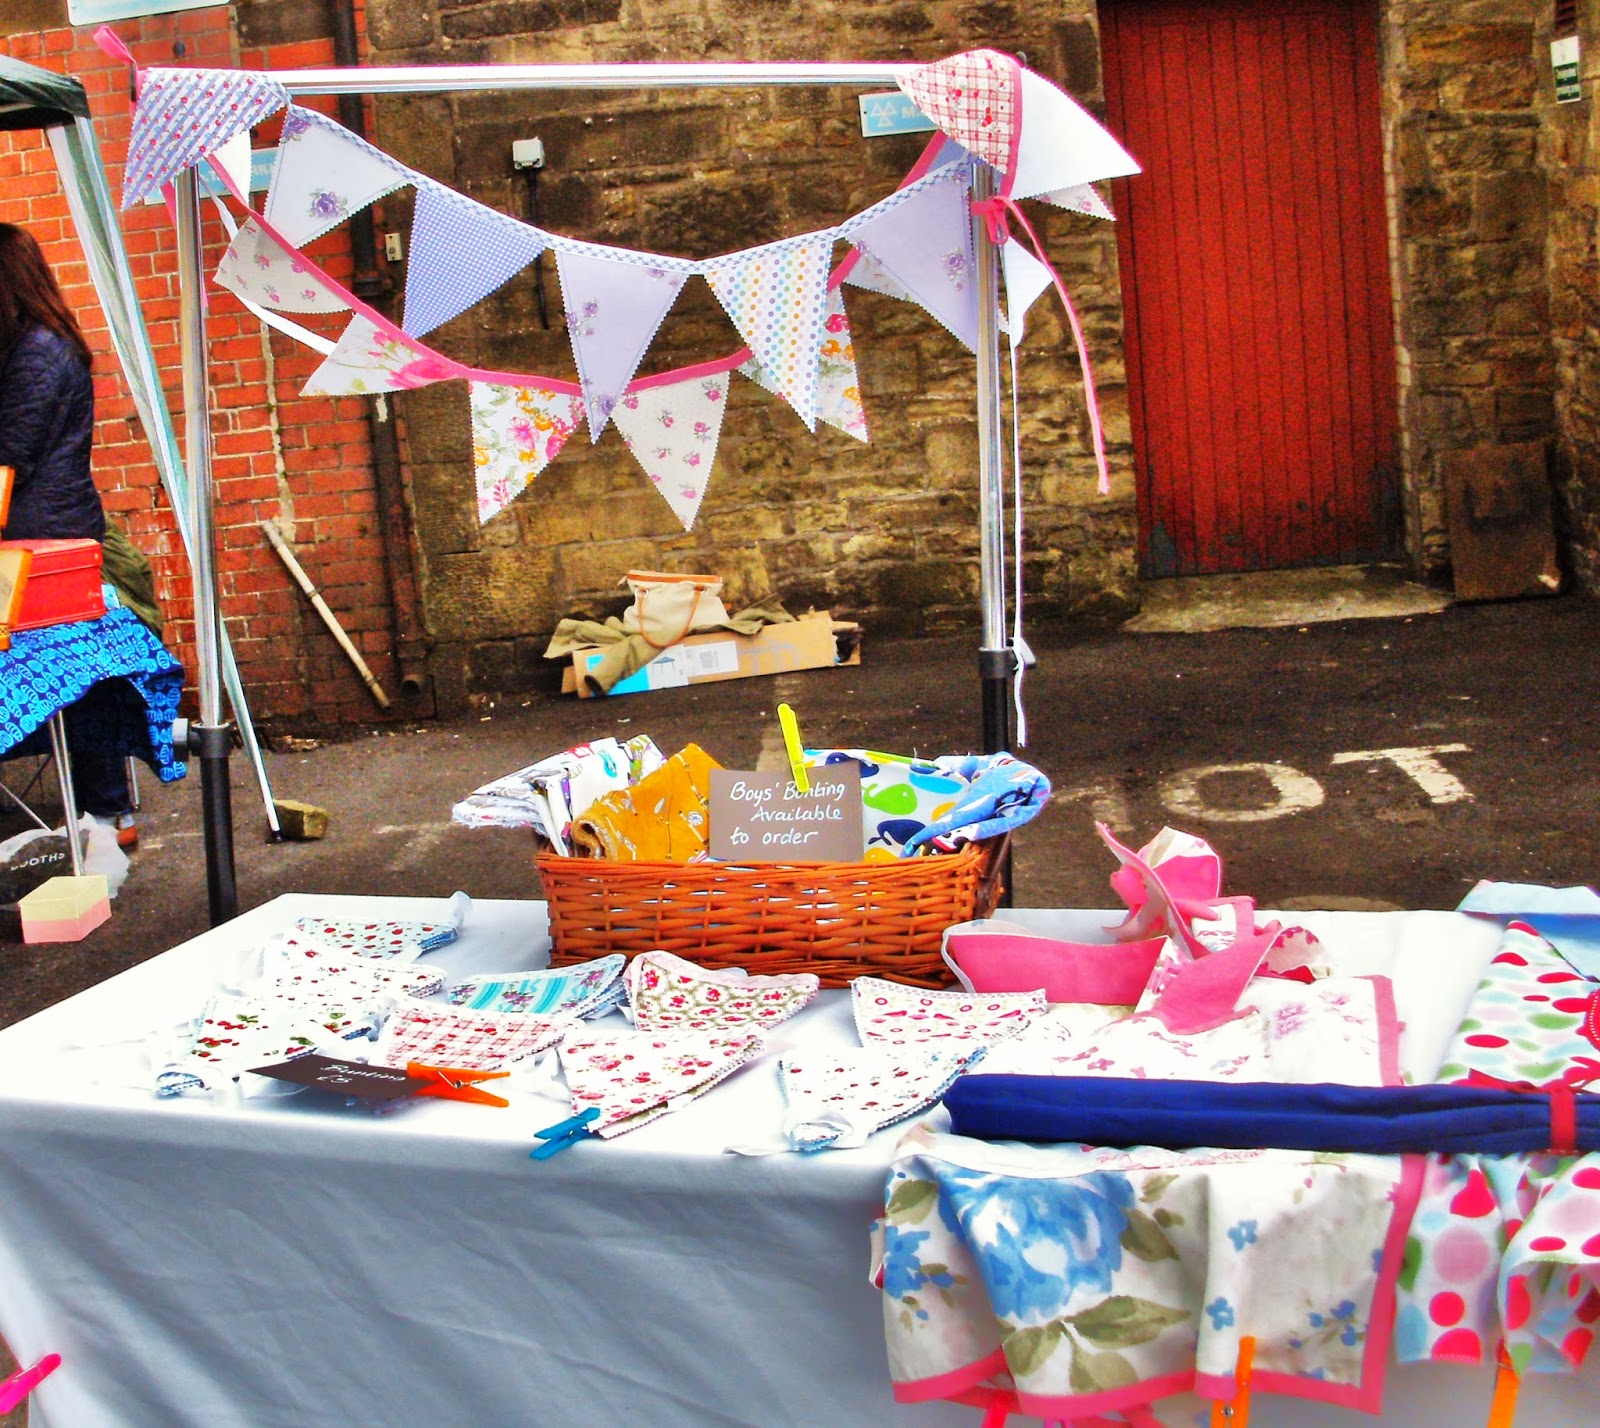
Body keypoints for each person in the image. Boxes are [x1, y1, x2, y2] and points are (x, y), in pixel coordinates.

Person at [0, 222, 153, 848]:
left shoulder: (38, 352)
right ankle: (110, 813)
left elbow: (8, 461)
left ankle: (109, 814)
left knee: (71, 674)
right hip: (53, 530)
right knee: (76, 672)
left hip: (43, 538)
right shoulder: (39, 343)